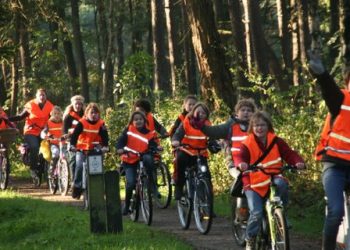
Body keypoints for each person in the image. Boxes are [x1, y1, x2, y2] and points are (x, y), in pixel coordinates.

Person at [233, 111, 305, 250]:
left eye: (262, 125)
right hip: (253, 181)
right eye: (256, 126)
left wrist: (298, 162)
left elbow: (289, 154)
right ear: (252, 128)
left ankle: (281, 213)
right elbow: (239, 156)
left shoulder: (277, 141)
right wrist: (242, 164)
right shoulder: (247, 143)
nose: (259, 128)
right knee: (257, 213)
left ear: (268, 126)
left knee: (282, 183)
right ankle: (250, 239)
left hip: (273, 176)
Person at [309, 51, 350, 250]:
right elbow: (329, 89)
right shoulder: (341, 99)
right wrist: (322, 74)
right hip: (334, 165)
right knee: (335, 211)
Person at [116, 111, 161, 215]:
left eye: (140, 119)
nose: (138, 121)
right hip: (130, 160)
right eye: (136, 119)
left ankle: (152, 183)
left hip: (142, 158)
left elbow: (152, 144)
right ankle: (127, 205)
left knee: (149, 159)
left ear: (144, 121)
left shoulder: (150, 133)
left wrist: (157, 147)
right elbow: (121, 141)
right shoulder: (128, 131)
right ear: (132, 121)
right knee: (131, 183)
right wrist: (120, 148)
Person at [171, 102, 218, 200]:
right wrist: (176, 141)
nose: (201, 114)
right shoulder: (186, 122)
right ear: (193, 112)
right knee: (179, 160)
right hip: (186, 151)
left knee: (206, 176)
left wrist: (214, 145)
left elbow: (212, 138)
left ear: (206, 115)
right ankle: (179, 186)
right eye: (198, 112)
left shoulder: (208, 124)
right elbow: (178, 133)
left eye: (203, 113)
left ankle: (208, 205)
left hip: (200, 154)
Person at [9, 88, 54, 181]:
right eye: (40, 95)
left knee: (49, 148)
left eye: (43, 95)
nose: (42, 97)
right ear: (36, 96)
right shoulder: (31, 105)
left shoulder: (50, 106)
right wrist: (7, 120)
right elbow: (20, 116)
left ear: (46, 96)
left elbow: (54, 119)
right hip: (30, 131)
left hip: (44, 132)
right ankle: (33, 169)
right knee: (35, 147)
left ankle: (46, 169)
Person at [69, 103, 109, 199]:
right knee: (79, 166)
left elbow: (105, 137)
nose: (94, 115)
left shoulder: (101, 124)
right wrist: (72, 145)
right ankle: (77, 187)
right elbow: (74, 136)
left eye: (96, 113)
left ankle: (99, 188)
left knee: (98, 168)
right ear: (86, 114)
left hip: (94, 149)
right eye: (92, 113)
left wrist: (106, 147)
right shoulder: (82, 123)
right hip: (81, 149)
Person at [62, 95, 85, 182]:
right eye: (76, 104)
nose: (78, 106)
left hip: (83, 140)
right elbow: (64, 130)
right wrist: (68, 133)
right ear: (73, 104)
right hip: (72, 141)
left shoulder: (85, 115)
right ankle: (73, 181)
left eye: (80, 104)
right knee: (73, 159)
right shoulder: (68, 116)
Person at [40, 106, 63, 175]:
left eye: (58, 114)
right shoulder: (49, 123)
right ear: (52, 114)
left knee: (67, 156)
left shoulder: (64, 122)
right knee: (56, 153)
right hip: (53, 143)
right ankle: (52, 170)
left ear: (61, 114)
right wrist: (44, 135)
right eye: (55, 114)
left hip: (63, 143)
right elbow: (44, 131)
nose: (56, 115)